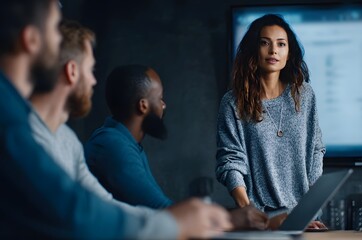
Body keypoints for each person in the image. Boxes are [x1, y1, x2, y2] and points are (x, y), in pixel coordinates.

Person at [0, 1, 231, 238]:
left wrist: (181, 219)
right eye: (53, 31)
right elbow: (73, 211)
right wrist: (176, 222)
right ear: (31, 40)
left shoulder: (62, 137)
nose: (93, 81)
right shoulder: (11, 122)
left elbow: (101, 204)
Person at [85, 64, 269, 230]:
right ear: (143, 106)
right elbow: (163, 213)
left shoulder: (122, 143)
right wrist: (234, 219)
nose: (164, 105)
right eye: (160, 98)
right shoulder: (113, 147)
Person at [215, 14, 327, 229]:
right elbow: (230, 162)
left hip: (304, 219)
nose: (273, 50)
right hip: (260, 221)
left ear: (288, 52)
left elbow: (315, 149)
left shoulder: (304, 95)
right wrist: (254, 218)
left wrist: (309, 210)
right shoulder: (232, 102)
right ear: (253, 50)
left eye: (281, 44)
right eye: (264, 43)